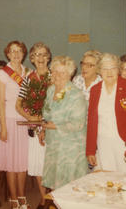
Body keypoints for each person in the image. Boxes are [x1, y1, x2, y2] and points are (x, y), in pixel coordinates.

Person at [86, 53, 126, 173]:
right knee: (105, 182)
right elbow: (92, 122)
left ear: (118, 69)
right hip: (103, 144)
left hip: (125, 144)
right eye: (105, 69)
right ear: (99, 71)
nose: (109, 72)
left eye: (113, 68)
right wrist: (90, 150)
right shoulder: (95, 90)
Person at [40, 56, 88, 190]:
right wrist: (43, 130)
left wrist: (53, 126)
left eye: (62, 72)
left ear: (70, 74)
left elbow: (78, 123)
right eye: (55, 71)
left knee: (68, 185)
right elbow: (46, 114)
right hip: (54, 144)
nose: (57, 75)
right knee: (55, 183)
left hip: (70, 147)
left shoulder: (76, 94)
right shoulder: (50, 90)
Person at [15, 42, 51, 209]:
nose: (41, 58)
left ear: (48, 57)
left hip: (51, 128)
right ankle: (44, 199)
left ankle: (53, 198)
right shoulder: (28, 79)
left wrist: (45, 121)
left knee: (51, 164)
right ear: (32, 58)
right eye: (37, 54)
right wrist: (31, 117)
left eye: (44, 54)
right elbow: (18, 105)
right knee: (37, 164)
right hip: (33, 128)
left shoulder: (54, 77)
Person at [0, 41, 30, 209]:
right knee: (11, 162)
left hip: (24, 121)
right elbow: (0, 103)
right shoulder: (2, 74)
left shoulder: (27, 72)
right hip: (8, 120)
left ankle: (22, 195)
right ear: (7, 54)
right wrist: (3, 127)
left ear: (23, 54)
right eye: (12, 51)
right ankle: (13, 198)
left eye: (19, 51)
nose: (16, 54)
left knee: (22, 161)